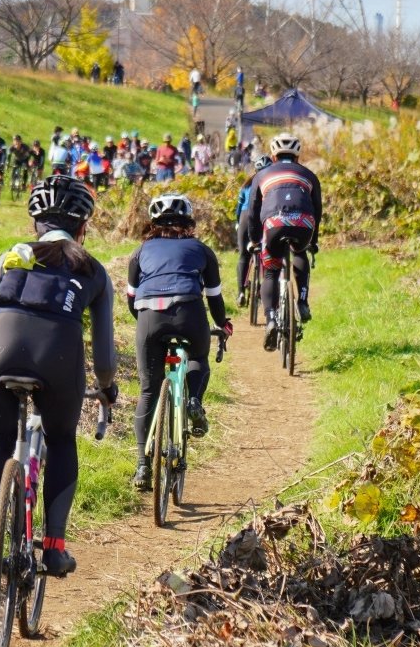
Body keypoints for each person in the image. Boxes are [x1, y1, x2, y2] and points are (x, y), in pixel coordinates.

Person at [0, 175, 118, 576]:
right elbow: (103, 354)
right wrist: (107, 387)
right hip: (57, 358)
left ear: (35, 224)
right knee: (62, 440)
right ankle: (54, 548)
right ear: (83, 227)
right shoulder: (93, 270)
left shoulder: (9, 257)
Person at [127, 194, 232, 489]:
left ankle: (142, 467)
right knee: (198, 358)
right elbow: (214, 297)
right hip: (189, 310)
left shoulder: (140, 251)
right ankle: (194, 401)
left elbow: (131, 299)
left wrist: (148, 327)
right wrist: (222, 325)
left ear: (153, 224)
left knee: (148, 390)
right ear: (189, 223)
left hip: (149, 315)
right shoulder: (201, 249)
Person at [248, 132, 321, 348]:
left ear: (273, 154)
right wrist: (313, 241)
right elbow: (317, 210)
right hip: (304, 223)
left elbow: (253, 211)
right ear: (298, 155)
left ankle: (270, 318)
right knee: (300, 251)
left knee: (270, 271)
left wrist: (254, 240)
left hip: (273, 224)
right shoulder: (309, 175)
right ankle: (303, 301)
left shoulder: (261, 175)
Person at [235, 155, 271, 306]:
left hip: (245, 216)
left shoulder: (246, 185)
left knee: (244, 255)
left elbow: (238, 209)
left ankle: (241, 291)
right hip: (264, 216)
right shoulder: (271, 183)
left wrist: (238, 223)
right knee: (267, 254)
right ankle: (263, 289)